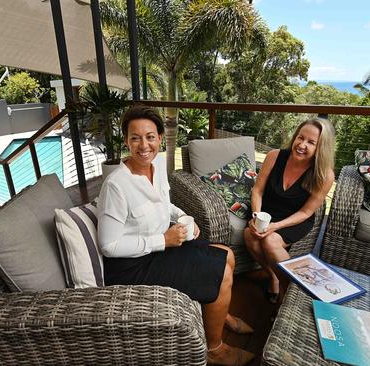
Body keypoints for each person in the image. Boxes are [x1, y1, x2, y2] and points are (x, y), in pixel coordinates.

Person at [97, 105, 255, 366]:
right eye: (135, 138)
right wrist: (164, 240)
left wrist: (183, 218)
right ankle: (213, 349)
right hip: (132, 266)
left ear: (160, 138)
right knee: (223, 273)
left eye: (150, 137)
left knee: (227, 255)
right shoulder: (116, 186)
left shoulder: (157, 165)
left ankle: (217, 310)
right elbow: (108, 245)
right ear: (126, 140)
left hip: (160, 246)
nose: (143, 145)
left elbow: (164, 203)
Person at [244, 118, 335, 303]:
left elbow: (306, 213)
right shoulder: (274, 156)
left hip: (295, 218)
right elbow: (257, 190)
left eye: (311, 142)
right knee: (249, 234)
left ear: (321, 148)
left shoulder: (325, 175)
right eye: (300, 138)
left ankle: (289, 296)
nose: (302, 145)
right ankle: (274, 277)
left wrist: (275, 226)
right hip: (266, 212)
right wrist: (256, 216)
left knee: (270, 241)